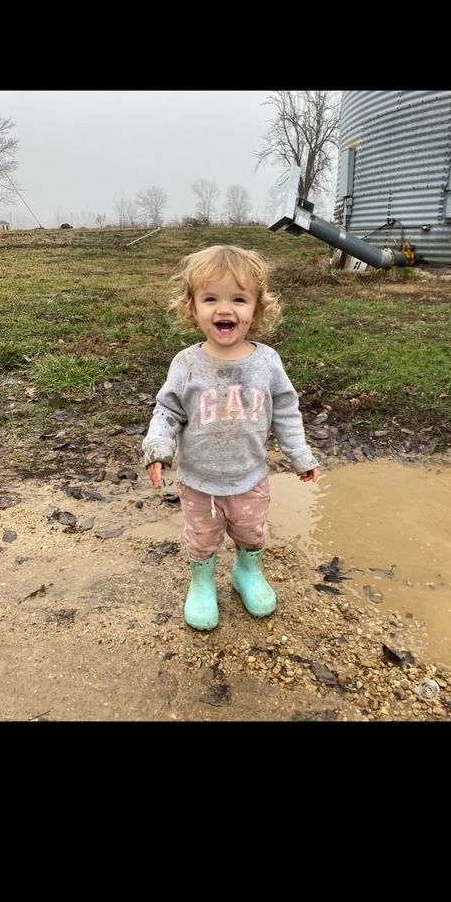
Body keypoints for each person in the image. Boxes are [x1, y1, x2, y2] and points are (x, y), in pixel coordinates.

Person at [142, 244, 319, 631]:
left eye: (239, 299)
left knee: (251, 533)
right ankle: (202, 582)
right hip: (198, 481)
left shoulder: (267, 362)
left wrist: (300, 454)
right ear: (192, 308)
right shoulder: (186, 364)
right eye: (211, 299)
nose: (225, 309)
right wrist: (158, 448)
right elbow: (167, 410)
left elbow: (287, 411)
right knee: (202, 539)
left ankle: (247, 573)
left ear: (257, 309)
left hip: (249, 477)